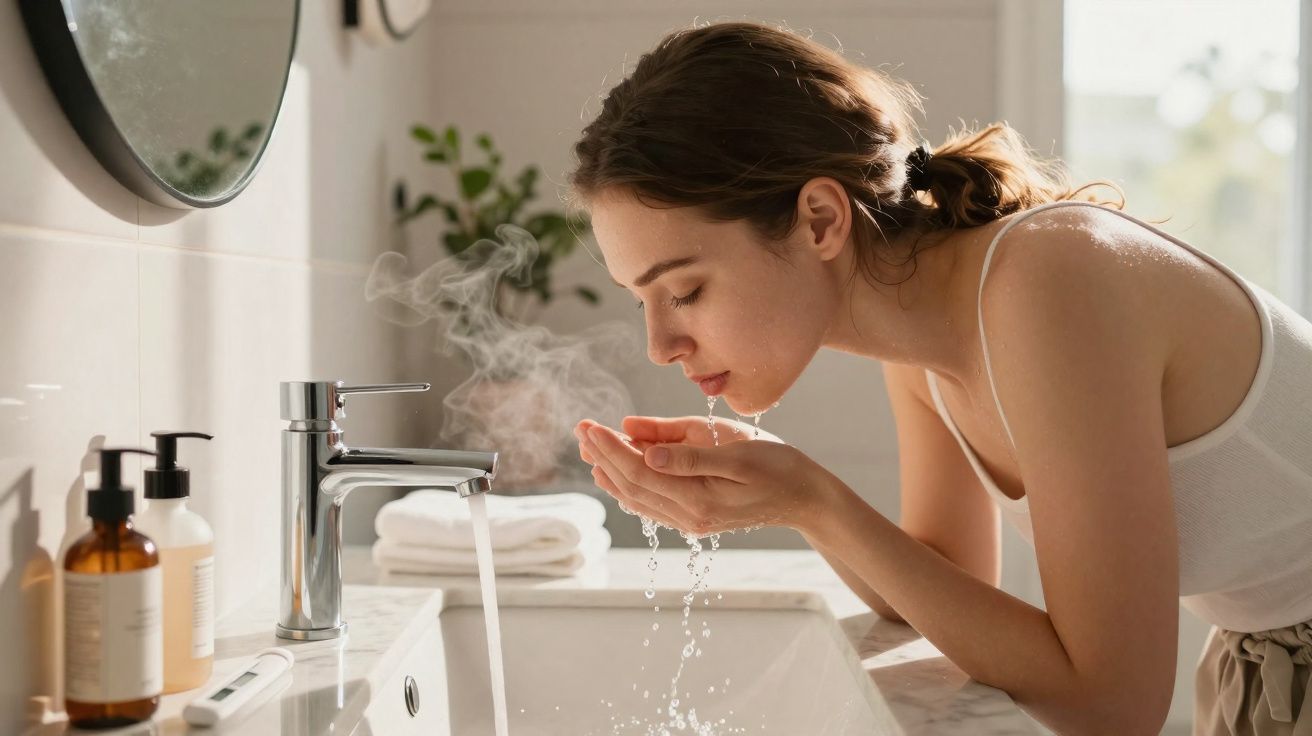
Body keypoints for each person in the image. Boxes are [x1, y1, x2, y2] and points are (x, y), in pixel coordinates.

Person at [566, 20, 1312, 736]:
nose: (660, 344)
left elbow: (1112, 706)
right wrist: (791, 501)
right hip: (1265, 669)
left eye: (685, 292)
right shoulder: (923, 336)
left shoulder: (1045, 285)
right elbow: (935, 589)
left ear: (821, 219)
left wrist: (815, 498)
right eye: (643, 302)